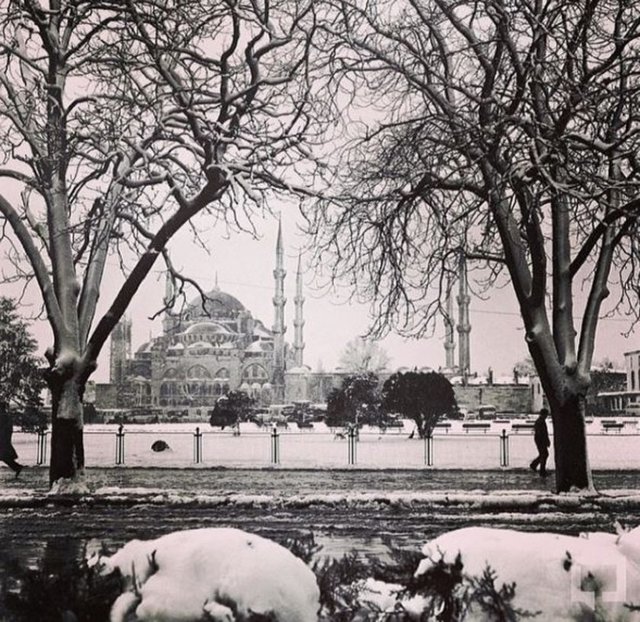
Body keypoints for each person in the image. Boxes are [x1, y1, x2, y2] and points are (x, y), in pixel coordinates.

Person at [0, 410, 24, 477]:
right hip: (4, 441)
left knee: (5, 457)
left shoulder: (3, 417)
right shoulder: (5, 417)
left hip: (2, 441)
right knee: (5, 457)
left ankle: (17, 467)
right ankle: (17, 467)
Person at [530, 408, 550, 477]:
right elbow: (542, 433)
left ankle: (535, 465)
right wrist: (546, 440)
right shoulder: (541, 421)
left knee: (543, 454)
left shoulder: (540, 421)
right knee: (544, 454)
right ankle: (542, 470)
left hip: (539, 440)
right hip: (541, 440)